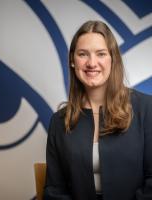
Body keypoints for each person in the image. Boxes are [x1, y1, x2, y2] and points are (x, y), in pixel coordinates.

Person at [43, 20, 152, 200]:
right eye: (83, 54)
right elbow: (55, 191)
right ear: (72, 61)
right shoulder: (59, 121)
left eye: (101, 54)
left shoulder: (147, 109)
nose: (92, 63)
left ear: (112, 59)